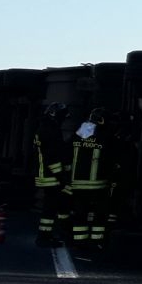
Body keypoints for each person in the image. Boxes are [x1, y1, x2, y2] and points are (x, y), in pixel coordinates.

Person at [64, 108, 111, 252]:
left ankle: (80, 242)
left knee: (80, 214)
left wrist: (66, 178)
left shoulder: (79, 134)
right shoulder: (104, 135)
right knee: (99, 215)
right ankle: (96, 242)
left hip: (77, 184)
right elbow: (111, 158)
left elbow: (66, 153)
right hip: (98, 185)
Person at [33, 103, 69, 247]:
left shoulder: (44, 127)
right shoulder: (51, 130)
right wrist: (61, 176)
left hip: (44, 173)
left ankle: (48, 235)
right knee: (50, 206)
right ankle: (44, 237)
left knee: (53, 205)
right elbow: (53, 156)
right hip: (50, 175)